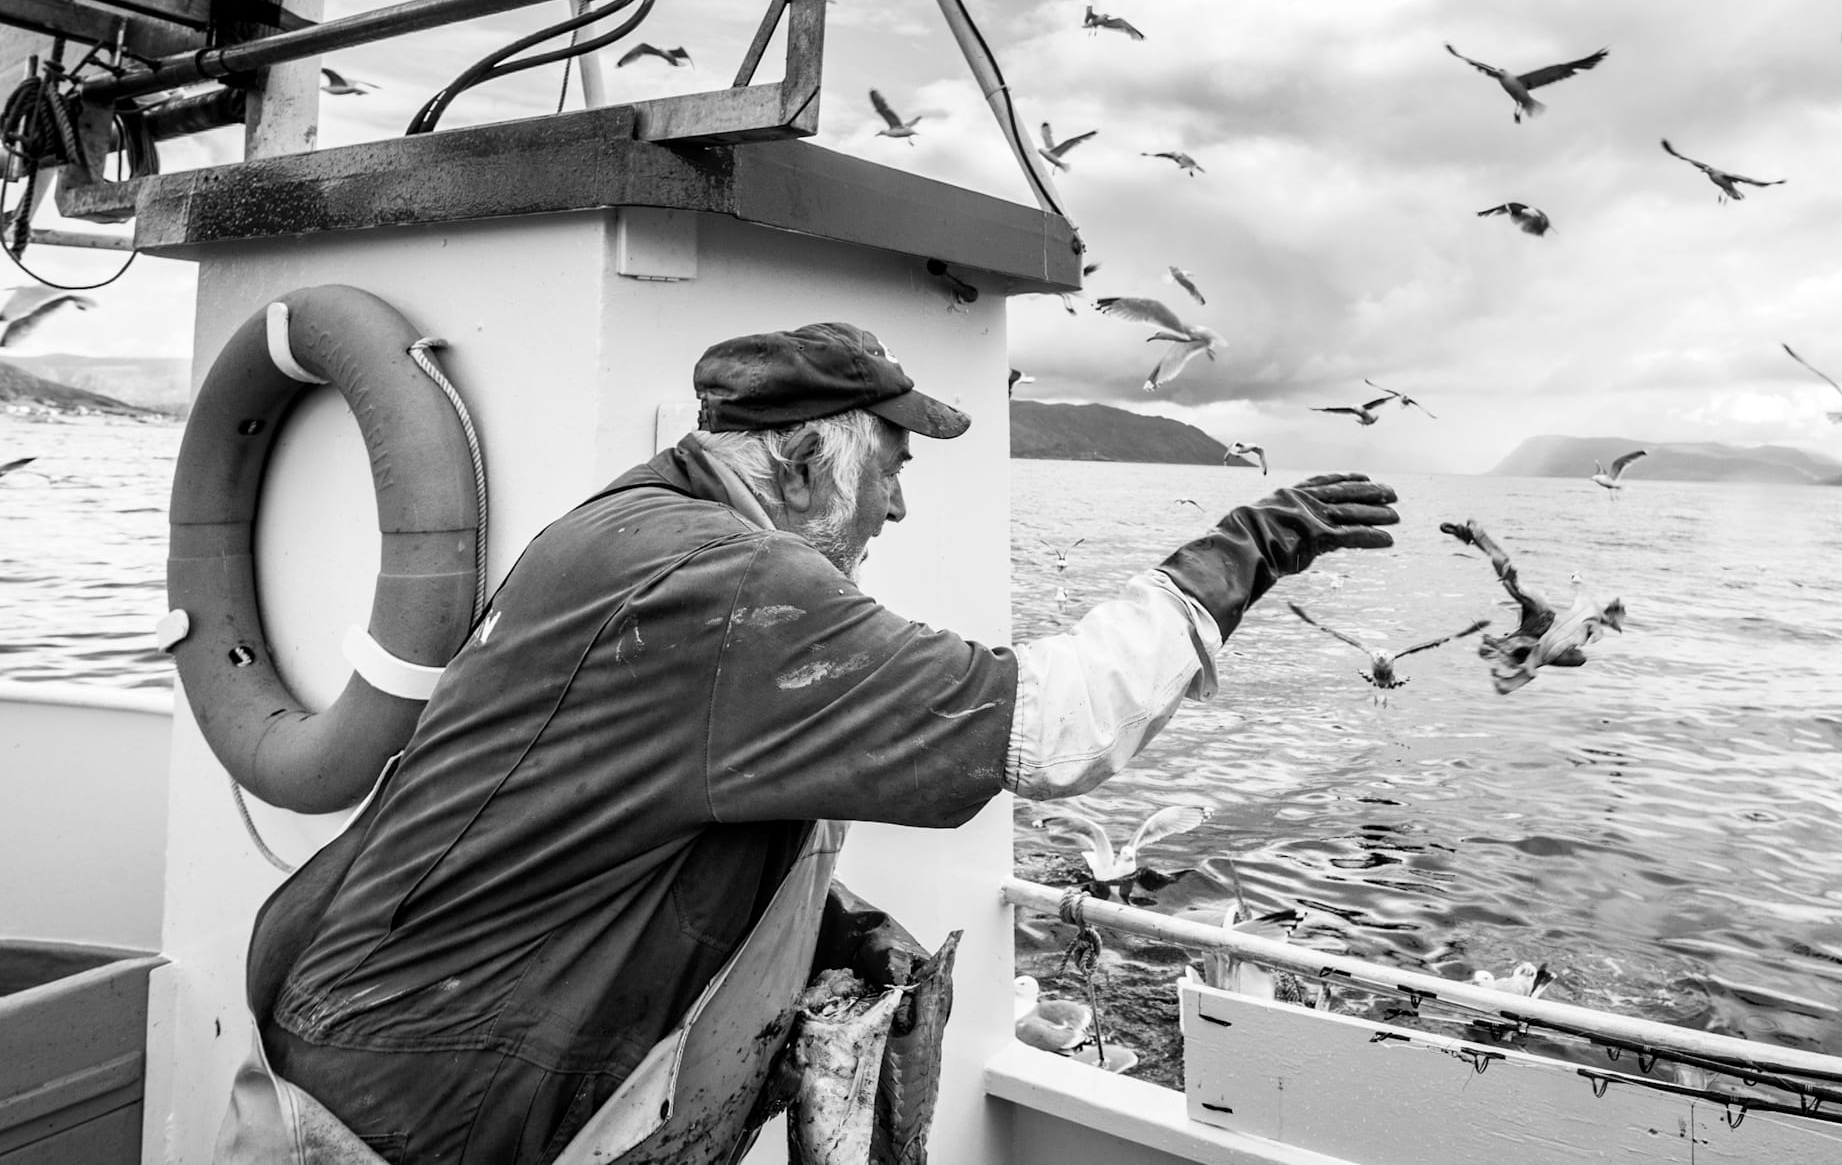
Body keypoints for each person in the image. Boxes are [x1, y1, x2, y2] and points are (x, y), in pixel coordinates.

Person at [233, 322, 1399, 1164]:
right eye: (890, 465)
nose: (898, 506)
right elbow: (1049, 727)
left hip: (367, 1042)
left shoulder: (621, 533)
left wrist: (826, 933)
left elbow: (606, 807)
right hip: (412, 1113)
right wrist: (1242, 550)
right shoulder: (728, 583)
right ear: (802, 456)